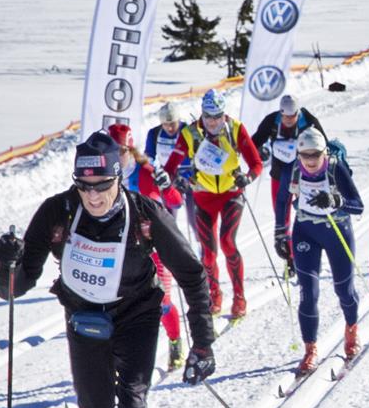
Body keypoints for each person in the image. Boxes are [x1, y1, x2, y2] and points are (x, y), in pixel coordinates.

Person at [0, 131, 216, 408]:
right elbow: (16, 287)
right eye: (85, 187)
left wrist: (202, 344)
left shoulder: (145, 214)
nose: (93, 197)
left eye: (102, 187)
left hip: (137, 316)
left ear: (118, 178)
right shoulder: (57, 212)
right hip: (84, 321)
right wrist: (5, 265)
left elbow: (193, 275)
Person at [163, 89, 263, 318]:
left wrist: (247, 178)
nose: (213, 122)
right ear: (202, 115)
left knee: (228, 242)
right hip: (203, 196)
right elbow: (170, 167)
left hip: (231, 194)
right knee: (207, 253)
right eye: (209, 116)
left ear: (224, 114)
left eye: (218, 116)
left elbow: (256, 163)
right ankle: (215, 295)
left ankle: (239, 297)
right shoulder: (190, 133)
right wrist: (178, 179)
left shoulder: (235, 128)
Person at [274, 127, 364, 374]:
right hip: (305, 231)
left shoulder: (335, 168)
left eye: (316, 155)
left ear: (325, 152)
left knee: (343, 289)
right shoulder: (293, 169)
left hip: (337, 231)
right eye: (306, 155)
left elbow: (358, 206)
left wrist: (337, 202)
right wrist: (280, 233)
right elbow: (282, 200)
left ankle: (351, 331)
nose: (311, 161)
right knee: (308, 292)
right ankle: (310, 349)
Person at [109, 123, 187, 371]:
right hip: (122, 250)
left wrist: (166, 185)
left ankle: (175, 340)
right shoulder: (104, 176)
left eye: (122, 150)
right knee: (120, 306)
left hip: (155, 248)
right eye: (113, 150)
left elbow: (176, 201)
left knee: (162, 302)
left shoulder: (146, 171)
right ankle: (118, 362)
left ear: (131, 149)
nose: (118, 155)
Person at [251, 94, 328, 217]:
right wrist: (260, 151)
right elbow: (253, 144)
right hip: (279, 173)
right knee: (280, 213)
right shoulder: (271, 121)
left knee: (308, 211)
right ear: (281, 113)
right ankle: (284, 235)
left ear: (298, 112)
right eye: (285, 116)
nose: (289, 120)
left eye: (292, 116)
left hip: (305, 175)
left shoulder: (309, 121)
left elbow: (324, 146)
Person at [144, 102, 196, 231]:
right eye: (166, 124)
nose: (170, 128)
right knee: (168, 220)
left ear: (178, 120)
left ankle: (203, 248)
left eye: (173, 123)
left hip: (190, 179)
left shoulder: (188, 132)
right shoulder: (155, 133)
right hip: (168, 179)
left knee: (194, 220)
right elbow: (148, 158)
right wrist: (155, 173)